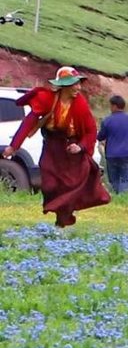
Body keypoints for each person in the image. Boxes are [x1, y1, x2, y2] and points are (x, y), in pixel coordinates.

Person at [1, 65, 110, 228]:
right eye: (74, 84)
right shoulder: (48, 99)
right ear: (64, 86)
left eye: (79, 83)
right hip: (52, 148)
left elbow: (90, 130)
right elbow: (28, 122)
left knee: (70, 186)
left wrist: (80, 147)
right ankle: (62, 216)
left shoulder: (80, 103)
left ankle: (63, 220)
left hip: (71, 150)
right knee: (50, 184)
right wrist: (14, 146)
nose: (78, 88)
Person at [97, 95, 128, 193]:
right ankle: (122, 198)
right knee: (126, 180)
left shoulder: (107, 120)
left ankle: (116, 198)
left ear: (114, 106)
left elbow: (100, 137)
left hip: (111, 155)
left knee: (114, 180)